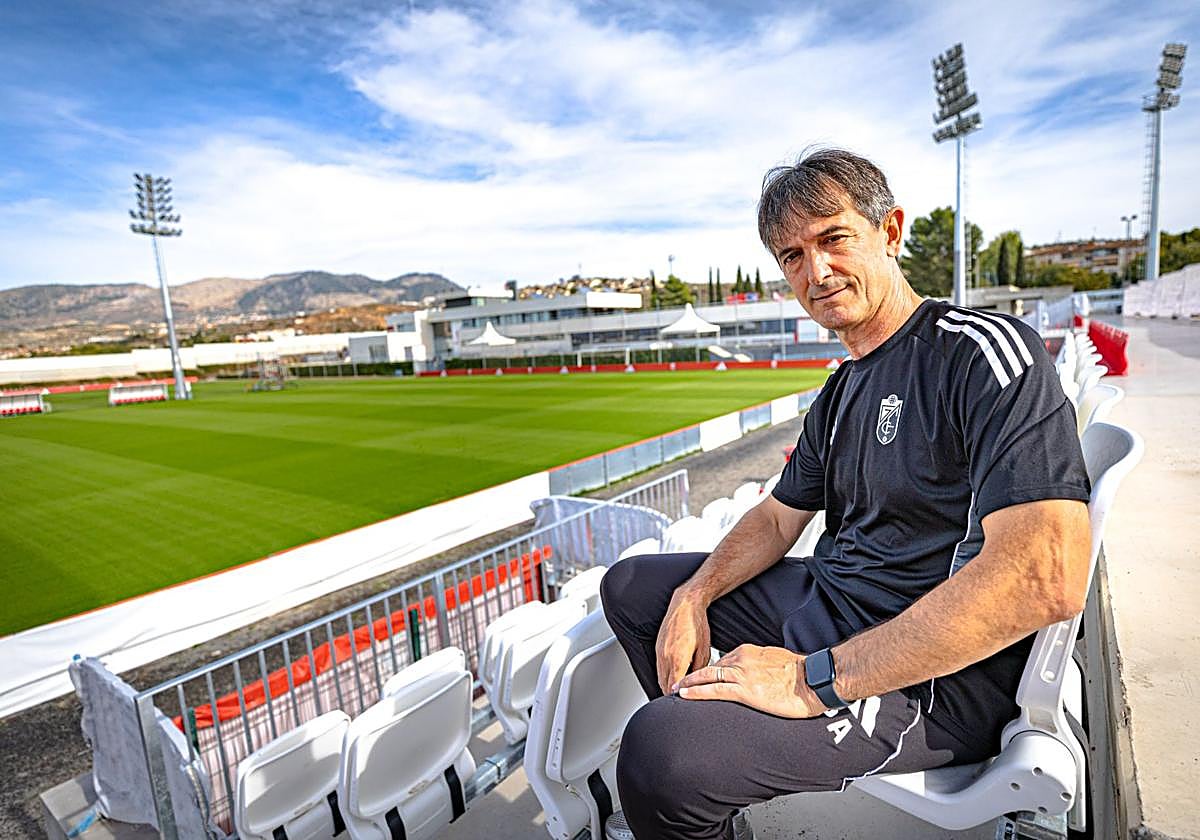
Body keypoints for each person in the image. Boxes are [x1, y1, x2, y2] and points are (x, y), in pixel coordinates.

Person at [599, 148, 1092, 840]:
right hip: (832, 606)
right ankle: (713, 788)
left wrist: (813, 680)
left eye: (833, 239)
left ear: (890, 233)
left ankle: (695, 766)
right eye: (792, 255)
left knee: (659, 752)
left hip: (932, 674)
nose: (815, 272)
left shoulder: (981, 352)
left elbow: (1047, 575)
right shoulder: (841, 389)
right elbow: (776, 519)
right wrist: (695, 595)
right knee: (634, 590)